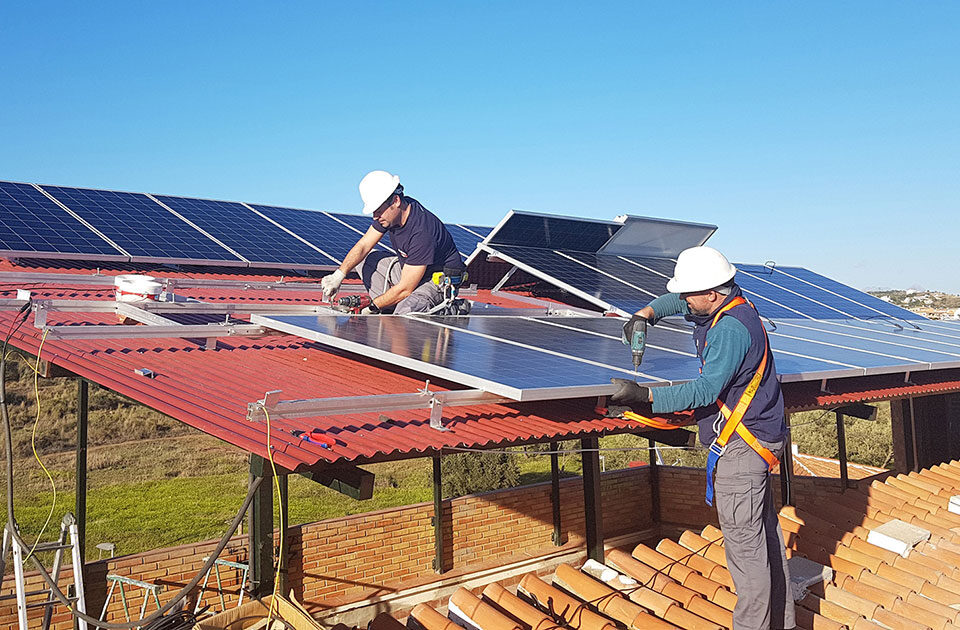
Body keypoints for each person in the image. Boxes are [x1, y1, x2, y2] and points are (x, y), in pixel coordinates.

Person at [610, 246, 794, 630]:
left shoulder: (728, 329)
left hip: (743, 448)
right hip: (757, 437)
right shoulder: (731, 302)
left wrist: (646, 397)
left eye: (689, 294)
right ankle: (781, 623)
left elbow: (705, 391)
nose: (683, 301)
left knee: (746, 549)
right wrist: (648, 313)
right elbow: (677, 304)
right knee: (764, 535)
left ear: (711, 293)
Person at [320, 171, 465, 315]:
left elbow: (405, 288)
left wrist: (371, 307)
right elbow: (364, 246)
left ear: (396, 201)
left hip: (436, 281)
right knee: (364, 259)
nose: (375, 217)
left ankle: (451, 308)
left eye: (378, 211)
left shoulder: (422, 230)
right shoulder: (392, 215)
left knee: (405, 313)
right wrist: (338, 275)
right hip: (411, 271)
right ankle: (388, 305)